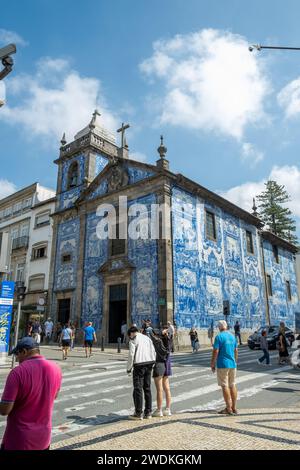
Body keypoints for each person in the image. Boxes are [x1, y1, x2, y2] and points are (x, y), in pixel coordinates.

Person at [0, 337, 61, 450]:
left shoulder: (17, 372)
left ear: (24, 351)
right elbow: (54, 396)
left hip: (19, 440)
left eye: (17, 354)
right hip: (43, 439)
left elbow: (4, 410)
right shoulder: (56, 368)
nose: (17, 359)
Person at [126, 326, 156, 420]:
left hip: (139, 365)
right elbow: (153, 350)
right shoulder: (147, 338)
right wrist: (153, 362)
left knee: (138, 389)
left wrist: (129, 368)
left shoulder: (133, 340)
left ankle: (138, 413)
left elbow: (131, 355)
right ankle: (148, 412)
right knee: (147, 388)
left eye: (129, 336)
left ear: (131, 333)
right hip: (150, 363)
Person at [210, 320, 238, 416]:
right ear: (226, 327)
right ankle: (234, 407)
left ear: (219, 327)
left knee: (224, 385)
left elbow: (215, 351)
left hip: (223, 364)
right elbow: (236, 350)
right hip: (232, 364)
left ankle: (228, 408)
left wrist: (212, 363)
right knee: (232, 384)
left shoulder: (219, 337)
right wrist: (235, 361)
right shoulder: (232, 336)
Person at [151, 326, 172, 417]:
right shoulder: (168, 343)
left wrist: (159, 334)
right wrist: (165, 334)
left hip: (159, 365)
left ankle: (159, 410)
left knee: (159, 389)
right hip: (167, 364)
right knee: (167, 388)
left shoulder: (157, 343)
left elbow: (152, 336)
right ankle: (168, 409)